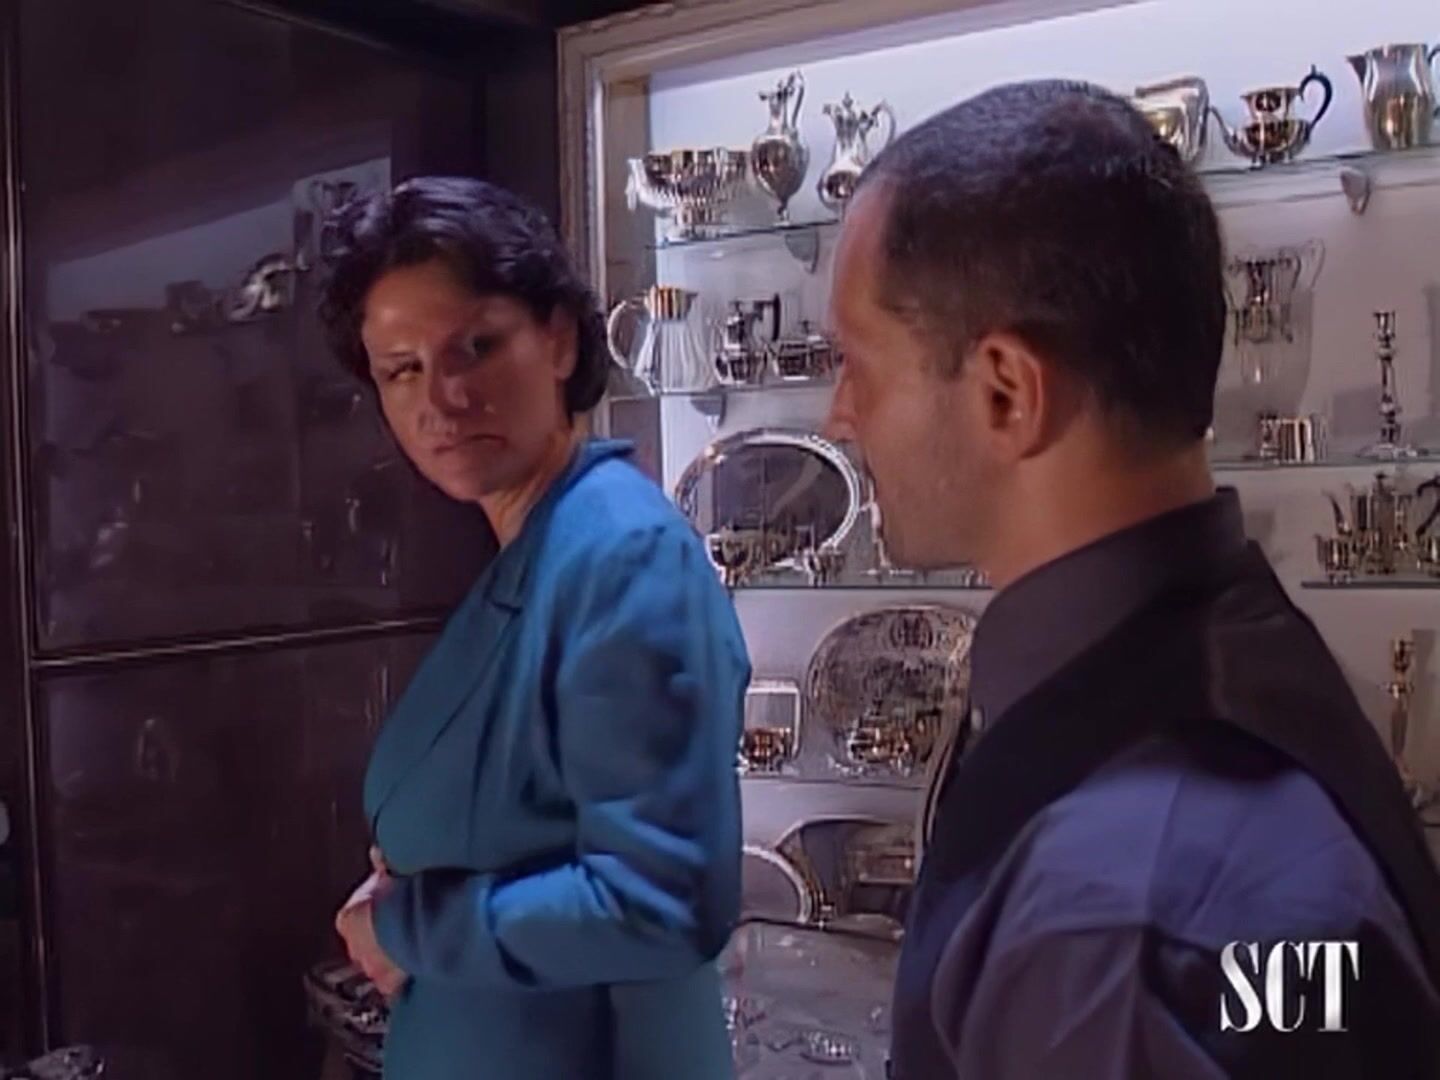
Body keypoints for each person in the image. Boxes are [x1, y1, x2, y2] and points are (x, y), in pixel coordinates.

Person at [823, 81, 1440, 1078]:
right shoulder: (1234, 662)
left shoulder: (1114, 924)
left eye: (858, 362)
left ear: (1006, 393)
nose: (838, 413)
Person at [320, 176, 748, 1080]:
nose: (441, 397)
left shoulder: (622, 555)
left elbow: (661, 899)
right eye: (401, 370)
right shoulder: (543, 548)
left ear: (558, 338)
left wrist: (408, 926)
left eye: (475, 346)